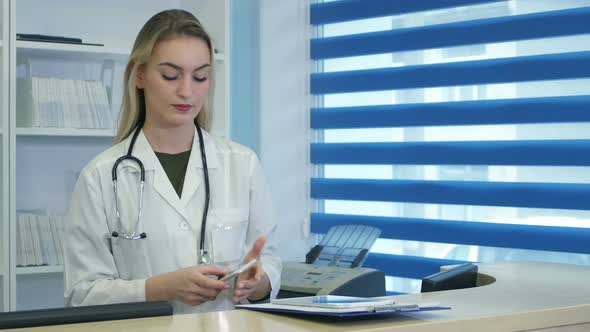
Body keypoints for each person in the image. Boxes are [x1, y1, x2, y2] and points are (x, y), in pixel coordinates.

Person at [64, 9, 281, 314]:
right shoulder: (100, 176)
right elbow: (81, 294)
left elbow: (268, 261)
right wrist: (160, 288)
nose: (187, 91)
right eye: (170, 75)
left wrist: (256, 283)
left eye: (200, 76)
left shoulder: (242, 164)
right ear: (139, 75)